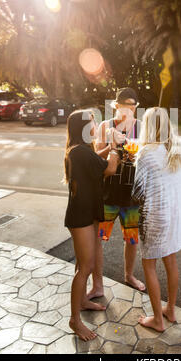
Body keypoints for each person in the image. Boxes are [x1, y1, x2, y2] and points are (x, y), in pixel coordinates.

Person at [132, 107, 181, 332]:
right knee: (171, 262)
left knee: (149, 265)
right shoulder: (180, 147)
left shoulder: (146, 152)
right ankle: (171, 310)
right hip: (175, 215)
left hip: (154, 218)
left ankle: (157, 319)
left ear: (148, 126)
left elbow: (137, 192)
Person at [64, 109, 119, 341]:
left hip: (88, 213)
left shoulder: (80, 151)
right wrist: (115, 147)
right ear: (83, 128)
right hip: (81, 217)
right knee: (84, 267)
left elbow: (97, 159)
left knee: (86, 262)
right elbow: (109, 168)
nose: (96, 127)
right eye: (92, 123)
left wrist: (106, 150)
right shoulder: (79, 152)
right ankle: (75, 321)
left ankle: (84, 301)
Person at [87, 87, 146, 299]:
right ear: (117, 106)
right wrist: (112, 146)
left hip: (131, 195)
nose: (129, 109)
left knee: (131, 239)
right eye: (125, 105)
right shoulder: (105, 126)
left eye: (132, 105)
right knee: (99, 239)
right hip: (108, 194)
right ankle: (98, 284)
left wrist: (137, 153)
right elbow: (96, 158)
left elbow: (147, 158)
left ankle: (129, 275)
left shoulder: (141, 127)